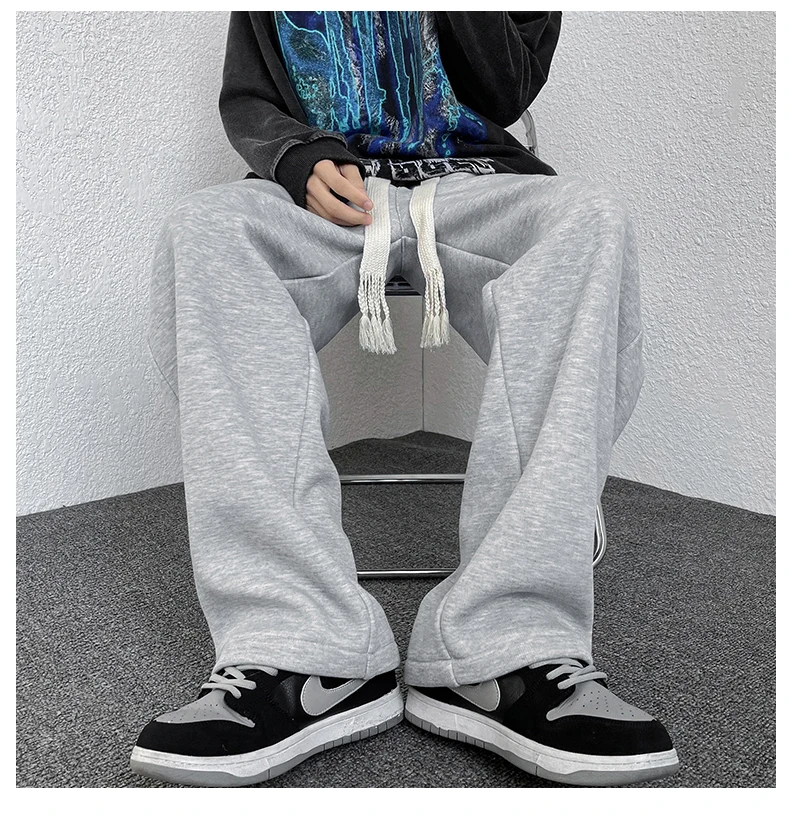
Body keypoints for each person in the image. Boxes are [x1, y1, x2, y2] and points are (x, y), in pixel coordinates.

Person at [130, 10, 679, 787]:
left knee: (591, 220)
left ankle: (503, 645)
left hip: (476, 184)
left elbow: (506, 86)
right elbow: (249, 95)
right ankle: (305, 646)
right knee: (206, 227)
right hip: (324, 195)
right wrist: (294, 155)